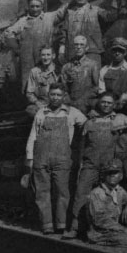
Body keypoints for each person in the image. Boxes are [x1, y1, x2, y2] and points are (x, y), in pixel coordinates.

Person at [25, 82, 87, 234]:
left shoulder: (72, 113)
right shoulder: (41, 113)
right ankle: (46, 225)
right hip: (41, 158)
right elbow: (33, 135)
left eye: (59, 95)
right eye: (52, 94)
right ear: (48, 95)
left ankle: (60, 224)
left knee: (62, 191)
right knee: (42, 192)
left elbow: (86, 124)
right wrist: (30, 158)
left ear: (64, 96)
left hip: (62, 158)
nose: (55, 97)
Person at [63, 92, 119, 239]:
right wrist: (80, 163)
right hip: (90, 165)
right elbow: (81, 145)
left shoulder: (119, 121)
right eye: (104, 102)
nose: (106, 105)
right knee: (81, 194)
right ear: (99, 103)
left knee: (106, 198)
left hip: (108, 168)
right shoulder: (89, 122)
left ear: (114, 105)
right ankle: (75, 228)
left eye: (109, 103)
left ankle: (101, 229)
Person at [4, 0, 67, 92]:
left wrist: (73, 2)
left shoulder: (49, 17)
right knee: (27, 83)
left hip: (44, 58)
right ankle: (29, 104)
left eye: (37, 6)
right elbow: (9, 32)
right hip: (27, 59)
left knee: (47, 81)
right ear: (28, 7)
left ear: (42, 7)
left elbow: (61, 12)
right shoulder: (23, 21)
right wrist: (16, 48)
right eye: (32, 6)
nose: (34, 9)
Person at [87, 159, 127, 247]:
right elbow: (100, 221)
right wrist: (123, 229)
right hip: (100, 234)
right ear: (104, 175)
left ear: (121, 176)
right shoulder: (97, 193)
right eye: (109, 173)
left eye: (115, 172)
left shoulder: (119, 190)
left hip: (114, 231)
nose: (112, 175)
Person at [61, 0, 115, 65]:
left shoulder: (96, 10)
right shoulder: (70, 13)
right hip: (74, 52)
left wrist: (115, 1)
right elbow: (64, 34)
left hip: (92, 51)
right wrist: (61, 51)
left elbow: (109, 17)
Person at [97, 37, 127, 113]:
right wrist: (109, 102)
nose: (117, 53)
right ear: (111, 52)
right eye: (114, 50)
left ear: (125, 53)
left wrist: (124, 99)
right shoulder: (104, 69)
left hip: (124, 101)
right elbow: (101, 91)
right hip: (107, 101)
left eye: (120, 51)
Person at [60, 35, 100, 114]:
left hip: (86, 104)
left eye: (81, 45)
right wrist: (68, 100)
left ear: (87, 48)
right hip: (69, 103)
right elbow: (63, 87)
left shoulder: (93, 65)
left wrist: (83, 99)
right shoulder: (66, 67)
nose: (79, 47)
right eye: (76, 45)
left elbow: (97, 87)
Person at [25, 45, 61, 117]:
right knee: (30, 110)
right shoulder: (34, 71)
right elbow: (29, 93)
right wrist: (37, 103)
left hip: (57, 103)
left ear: (53, 56)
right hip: (41, 103)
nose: (45, 57)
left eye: (48, 55)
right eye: (43, 55)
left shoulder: (59, 71)